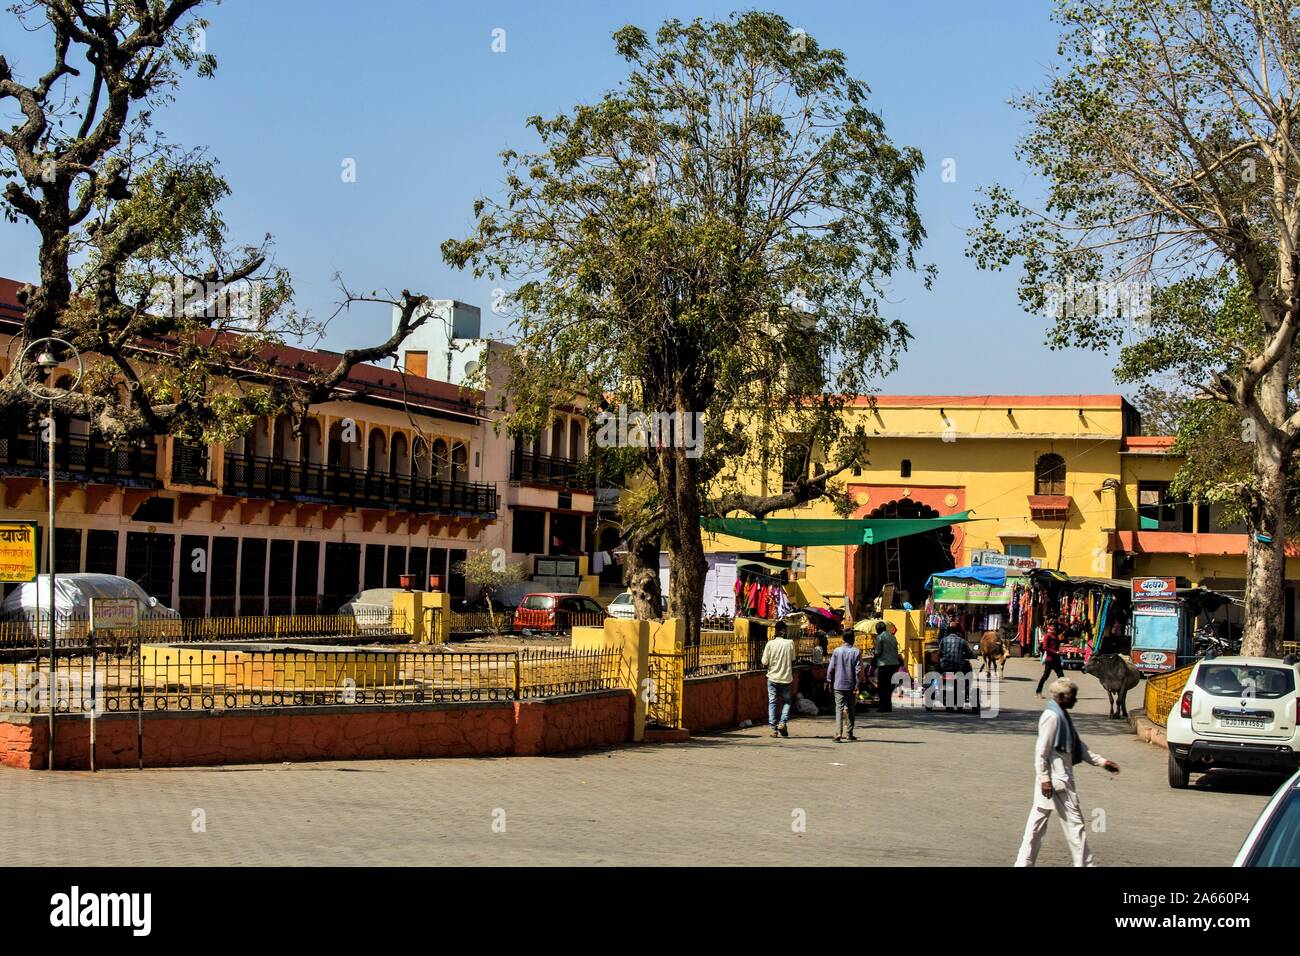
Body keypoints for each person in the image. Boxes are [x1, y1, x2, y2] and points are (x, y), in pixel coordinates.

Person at [1015, 677, 1120, 867]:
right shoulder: (1052, 717)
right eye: (1073, 696)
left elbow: (1076, 746)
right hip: (1056, 782)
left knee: (1036, 828)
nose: (1075, 700)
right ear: (1062, 696)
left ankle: (1023, 864)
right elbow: (1041, 751)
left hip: (1055, 781)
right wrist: (1045, 779)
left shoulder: (1062, 716)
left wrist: (1101, 762)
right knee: (1073, 826)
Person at [825, 632, 863, 742]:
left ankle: (838, 733)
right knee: (851, 709)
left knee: (839, 709)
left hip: (838, 684)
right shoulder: (856, 652)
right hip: (851, 685)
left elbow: (831, 668)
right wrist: (857, 684)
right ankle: (849, 733)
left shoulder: (837, 651)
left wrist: (829, 680)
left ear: (843, 639)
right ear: (853, 639)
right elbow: (858, 670)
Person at [762, 622, 796, 738]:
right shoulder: (790, 643)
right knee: (787, 702)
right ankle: (782, 722)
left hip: (772, 678)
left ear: (775, 631)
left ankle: (773, 729)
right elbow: (793, 659)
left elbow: (764, 661)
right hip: (786, 678)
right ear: (785, 631)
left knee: (772, 702)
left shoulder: (770, 644)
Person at [874, 620, 902, 712]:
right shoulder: (893, 637)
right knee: (889, 686)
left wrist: (874, 652)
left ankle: (883, 706)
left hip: (884, 665)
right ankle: (888, 706)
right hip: (894, 665)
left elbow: (878, 652)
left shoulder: (880, 637)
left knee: (882, 686)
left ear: (878, 629)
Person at [1035, 620, 1066, 697]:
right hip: (1050, 660)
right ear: (1049, 627)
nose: (1054, 627)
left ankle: (1061, 693)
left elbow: (1065, 626)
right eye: (1053, 626)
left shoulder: (1056, 634)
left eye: (1055, 626)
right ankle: (1038, 692)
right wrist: (1055, 652)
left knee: (1061, 676)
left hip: (1056, 660)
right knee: (1045, 676)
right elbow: (1045, 647)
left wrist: (1057, 621)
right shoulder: (1048, 636)